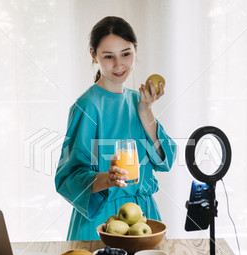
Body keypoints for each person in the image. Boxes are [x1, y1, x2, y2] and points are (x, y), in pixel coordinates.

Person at [55, 16, 177, 241]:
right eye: (109, 57)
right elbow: (67, 178)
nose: (119, 65)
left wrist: (145, 110)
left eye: (126, 54)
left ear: (135, 50)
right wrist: (107, 179)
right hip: (101, 220)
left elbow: (165, 160)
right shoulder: (87, 106)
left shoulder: (138, 101)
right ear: (94, 55)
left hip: (144, 217)